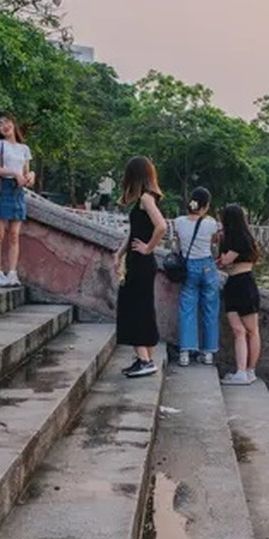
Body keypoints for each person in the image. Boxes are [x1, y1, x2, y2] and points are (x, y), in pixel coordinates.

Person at [114, 156, 166, 378]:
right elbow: (134, 233)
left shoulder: (146, 198)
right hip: (139, 261)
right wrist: (119, 253)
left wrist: (148, 248)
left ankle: (144, 360)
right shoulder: (145, 199)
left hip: (141, 261)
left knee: (134, 307)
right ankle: (145, 357)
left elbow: (161, 226)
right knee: (142, 307)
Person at [0, 111, 35, 287]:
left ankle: (12, 272)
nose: (5, 126)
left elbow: (26, 171)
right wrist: (14, 173)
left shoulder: (24, 148)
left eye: (7, 122)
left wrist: (31, 176)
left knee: (14, 235)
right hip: (2, 189)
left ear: (14, 123)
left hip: (18, 192)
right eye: (0, 124)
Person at [173, 187, 220, 367]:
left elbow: (178, 243)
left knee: (187, 308)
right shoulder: (211, 223)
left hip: (189, 266)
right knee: (210, 309)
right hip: (207, 266)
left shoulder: (178, 222)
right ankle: (208, 353)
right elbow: (215, 241)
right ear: (206, 205)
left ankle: (185, 352)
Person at [217, 204, 261, 385]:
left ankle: (248, 370)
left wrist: (221, 257)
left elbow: (226, 260)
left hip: (243, 283)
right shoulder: (235, 237)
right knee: (239, 330)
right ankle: (242, 371)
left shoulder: (240, 238)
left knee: (251, 330)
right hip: (234, 283)